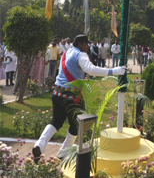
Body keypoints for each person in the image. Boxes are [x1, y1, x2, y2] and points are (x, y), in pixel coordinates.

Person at [33, 34, 128, 167]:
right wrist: (114, 71)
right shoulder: (81, 55)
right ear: (80, 44)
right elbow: (91, 70)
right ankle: (63, 152)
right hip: (71, 95)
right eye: (86, 44)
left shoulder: (66, 52)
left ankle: (39, 144)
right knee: (77, 125)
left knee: (55, 121)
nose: (88, 46)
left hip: (57, 92)